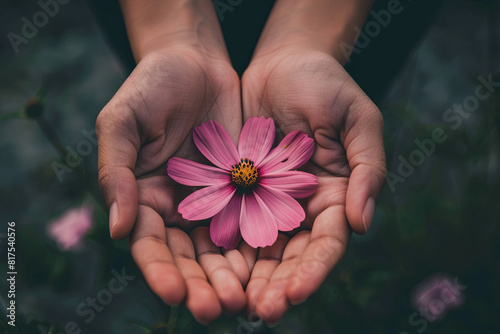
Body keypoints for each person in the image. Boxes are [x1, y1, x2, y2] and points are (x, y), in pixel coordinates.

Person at [95, 0, 386, 325]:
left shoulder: (261, 171)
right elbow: (191, 187)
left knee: (345, 109)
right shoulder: (225, 172)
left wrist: (305, 41)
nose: (245, 172)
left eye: (246, 170)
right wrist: (174, 39)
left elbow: (302, 181)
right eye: (243, 171)